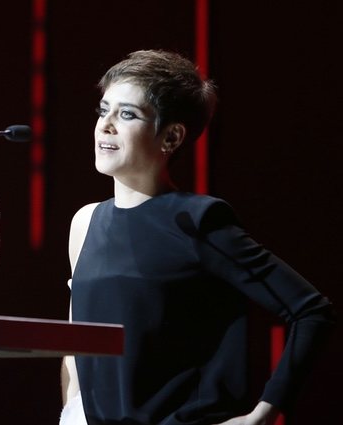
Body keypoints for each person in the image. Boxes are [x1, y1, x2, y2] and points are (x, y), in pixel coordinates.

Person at [60, 50, 335, 425]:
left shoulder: (196, 220)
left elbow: (310, 309)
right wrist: (72, 409)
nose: (105, 125)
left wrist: (264, 414)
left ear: (171, 136)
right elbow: (77, 345)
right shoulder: (85, 222)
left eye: (127, 114)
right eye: (103, 109)